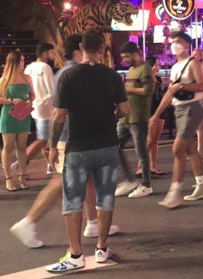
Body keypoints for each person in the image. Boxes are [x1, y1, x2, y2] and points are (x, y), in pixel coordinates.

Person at [11, 34, 120, 249]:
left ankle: (92, 222)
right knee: (61, 183)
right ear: (80, 50)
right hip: (70, 138)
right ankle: (29, 221)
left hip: (73, 138)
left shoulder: (66, 72)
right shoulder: (70, 73)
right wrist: (54, 144)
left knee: (86, 181)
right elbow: (59, 113)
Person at [45, 31, 128, 272]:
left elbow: (59, 115)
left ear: (81, 47)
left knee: (73, 201)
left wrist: (52, 146)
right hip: (108, 145)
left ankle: (75, 254)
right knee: (105, 198)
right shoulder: (112, 76)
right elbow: (126, 110)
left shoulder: (68, 76)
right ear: (103, 49)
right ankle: (101, 248)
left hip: (78, 146)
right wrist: (113, 116)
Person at [151, 32, 203, 209]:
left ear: (186, 44)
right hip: (179, 109)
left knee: (178, 149)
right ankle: (201, 185)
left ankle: (174, 192)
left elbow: (201, 85)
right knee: (190, 148)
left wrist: (183, 86)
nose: (174, 45)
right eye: (172, 42)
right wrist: (156, 115)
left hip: (192, 108)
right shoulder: (176, 66)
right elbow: (170, 93)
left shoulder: (193, 63)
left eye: (178, 41)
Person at [114, 41, 154, 199]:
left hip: (138, 117)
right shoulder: (131, 70)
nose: (124, 60)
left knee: (141, 152)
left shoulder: (145, 69)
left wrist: (129, 89)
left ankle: (146, 184)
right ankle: (129, 179)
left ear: (134, 54)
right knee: (114, 146)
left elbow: (148, 90)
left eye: (126, 56)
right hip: (125, 116)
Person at [0, 51, 34, 192]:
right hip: (9, 115)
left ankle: (22, 175)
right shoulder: (4, 79)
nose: (23, 64)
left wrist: (29, 101)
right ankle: (8, 178)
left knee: (22, 146)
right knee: (8, 146)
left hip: (23, 113)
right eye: (20, 61)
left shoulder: (27, 78)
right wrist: (11, 101)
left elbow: (32, 94)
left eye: (23, 61)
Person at [17, 43, 57, 175]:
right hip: (45, 107)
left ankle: (50, 165)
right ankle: (21, 162)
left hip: (32, 106)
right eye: (52, 52)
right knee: (43, 138)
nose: (54, 55)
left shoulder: (29, 67)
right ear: (45, 53)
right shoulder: (46, 67)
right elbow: (52, 90)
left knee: (46, 138)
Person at [146, 56, 165, 175]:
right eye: (157, 64)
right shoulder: (147, 78)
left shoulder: (159, 78)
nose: (158, 67)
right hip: (150, 109)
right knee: (149, 140)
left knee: (155, 140)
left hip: (160, 109)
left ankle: (153, 165)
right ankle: (142, 166)